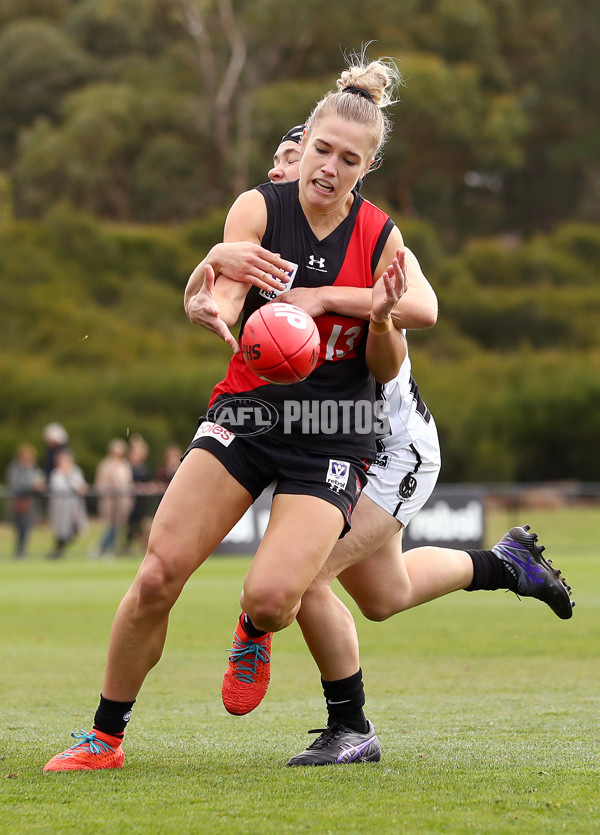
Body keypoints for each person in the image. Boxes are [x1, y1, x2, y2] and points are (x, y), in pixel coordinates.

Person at [43, 53, 408, 772]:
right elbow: (230, 286)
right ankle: (104, 737)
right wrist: (207, 299)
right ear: (302, 147)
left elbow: (385, 366)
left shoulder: (378, 237)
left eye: (347, 159)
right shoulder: (259, 207)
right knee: (156, 573)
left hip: (330, 433)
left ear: (365, 170)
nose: (328, 167)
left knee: (275, 598)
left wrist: (385, 320)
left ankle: (254, 624)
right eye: (320, 150)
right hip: (247, 412)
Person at [207, 123, 574, 764]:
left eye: (291, 163)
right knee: (383, 596)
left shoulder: (367, 238)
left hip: (391, 446)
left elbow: (421, 307)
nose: (279, 177)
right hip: (339, 439)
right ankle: (506, 565)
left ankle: (352, 728)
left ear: (340, 173)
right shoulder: (273, 232)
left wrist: (325, 297)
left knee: (302, 580)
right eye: (277, 165)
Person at [90, 439, 133, 559]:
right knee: (111, 526)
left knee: (118, 526)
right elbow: (101, 484)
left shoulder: (125, 465)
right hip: (110, 501)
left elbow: (128, 483)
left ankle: (107, 549)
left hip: (122, 502)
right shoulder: (106, 465)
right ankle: (101, 548)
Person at [5, 443, 45, 559]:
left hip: (30, 504)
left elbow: (40, 480)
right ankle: (19, 551)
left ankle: (22, 551)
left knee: (27, 528)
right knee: (19, 528)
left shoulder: (34, 469)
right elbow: (15, 484)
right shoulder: (15, 469)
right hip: (18, 503)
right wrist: (31, 486)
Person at [46, 449, 88, 560]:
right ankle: (57, 551)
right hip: (61, 507)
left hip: (74, 506)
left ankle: (58, 550)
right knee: (61, 530)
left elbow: (81, 486)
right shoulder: (56, 474)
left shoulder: (76, 472)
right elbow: (59, 488)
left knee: (75, 529)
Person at [123, 434, 154, 555]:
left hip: (141, 502)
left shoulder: (141, 466)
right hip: (133, 501)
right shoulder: (129, 466)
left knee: (139, 526)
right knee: (134, 526)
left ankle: (132, 548)